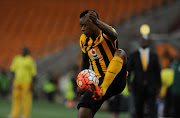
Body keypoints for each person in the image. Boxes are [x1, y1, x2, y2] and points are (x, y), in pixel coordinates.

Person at [76, 10, 128, 118]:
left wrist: (97, 21)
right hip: (97, 81)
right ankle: (100, 90)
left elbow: (114, 35)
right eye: (81, 26)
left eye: (84, 25)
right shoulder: (84, 40)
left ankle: (102, 89)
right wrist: (80, 83)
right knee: (83, 110)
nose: (82, 29)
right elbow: (85, 62)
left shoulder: (106, 33)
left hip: (116, 79)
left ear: (94, 23)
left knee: (121, 52)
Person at [127, 38, 162, 118]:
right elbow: (128, 71)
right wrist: (129, 83)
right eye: (142, 41)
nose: (144, 42)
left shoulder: (154, 56)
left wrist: (159, 85)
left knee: (152, 109)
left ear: (149, 43)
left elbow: (158, 72)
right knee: (138, 108)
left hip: (151, 86)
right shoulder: (133, 55)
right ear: (139, 43)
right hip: (137, 86)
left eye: (145, 41)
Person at [9, 47, 37, 118]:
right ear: (21, 51)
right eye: (23, 50)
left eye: (25, 51)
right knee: (16, 98)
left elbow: (33, 73)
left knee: (26, 99)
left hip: (26, 82)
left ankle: (25, 115)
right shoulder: (16, 59)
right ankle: (14, 115)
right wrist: (11, 80)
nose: (24, 52)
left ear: (28, 52)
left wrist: (33, 85)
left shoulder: (30, 60)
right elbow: (13, 70)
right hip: (17, 82)